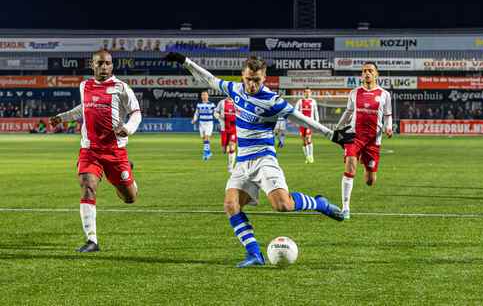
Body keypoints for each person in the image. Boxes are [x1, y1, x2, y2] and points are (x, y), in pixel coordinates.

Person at [165, 52, 354, 268]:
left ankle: (319, 203)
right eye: (248, 79)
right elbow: (209, 79)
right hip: (242, 162)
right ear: (242, 76)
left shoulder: (273, 101)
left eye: (256, 80)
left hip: (264, 160)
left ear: (264, 79)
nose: (252, 84)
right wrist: (185, 62)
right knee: (230, 204)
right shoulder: (234, 90)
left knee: (282, 205)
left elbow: (301, 119)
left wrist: (331, 135)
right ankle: (255, 254)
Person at [49, 50, 142, 253]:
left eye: (107, 63)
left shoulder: (121, 87)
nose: (104, 67)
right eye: (100, 64)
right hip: (90, 149)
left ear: (112, 65)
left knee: (130, 198)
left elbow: (136, 113)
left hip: (114, 151)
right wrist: (63, 117)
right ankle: (92, 240)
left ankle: (129, 176)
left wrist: (128, 128)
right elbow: (84, 108)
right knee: (87, 185)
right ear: (93, 65)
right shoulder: (85, 86)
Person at [336, 62, 393, 220]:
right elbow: (348, 112)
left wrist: (388, 127)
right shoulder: (354, 93)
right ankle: (345, 207)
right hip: (354, 136)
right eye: (364, 71)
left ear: (376, 74)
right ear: (361, 75)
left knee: (370, 181)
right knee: (350, 166)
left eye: (370, 71)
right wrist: (338, 127)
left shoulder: (384, 94)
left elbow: (388, 114)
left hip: (373, 140)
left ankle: (366, 165)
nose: (367, 73)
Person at [295, 88, 319, 164]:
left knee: (308, 139)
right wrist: (296, 120)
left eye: (309, 92)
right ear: (304, 93)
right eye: (306, 92)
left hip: (310, 123)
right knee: (304, 140)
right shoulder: (300, 101)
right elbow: (295, 111)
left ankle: (311, 156)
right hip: (302, 123)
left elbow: (316, 112)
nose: (308, 93)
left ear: (311, 93)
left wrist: (317, 122)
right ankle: (307, 157)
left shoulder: (313, 101)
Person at [215, 97, 237, 172]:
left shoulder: (237, 102)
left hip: (234, 128)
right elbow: (215, 112)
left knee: (232, 147)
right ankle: (228, 156)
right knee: (224, 150)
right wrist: (218, 116)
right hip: (224, 129)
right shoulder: (222, 102)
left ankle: (230, 167)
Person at [192, 91, 216, 160]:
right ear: (201, 96)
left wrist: (218, 116)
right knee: (204, 139)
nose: (204, 96)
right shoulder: (199, 105)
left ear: (208, 96)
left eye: (205, 95)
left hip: (209, 123)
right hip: (201, 123)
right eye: (203, 95)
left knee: (206, 137)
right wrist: (194, 119)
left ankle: (205, 154)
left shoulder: (212, 104)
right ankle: (208, 152)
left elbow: (215, 113)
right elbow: (196, 113)